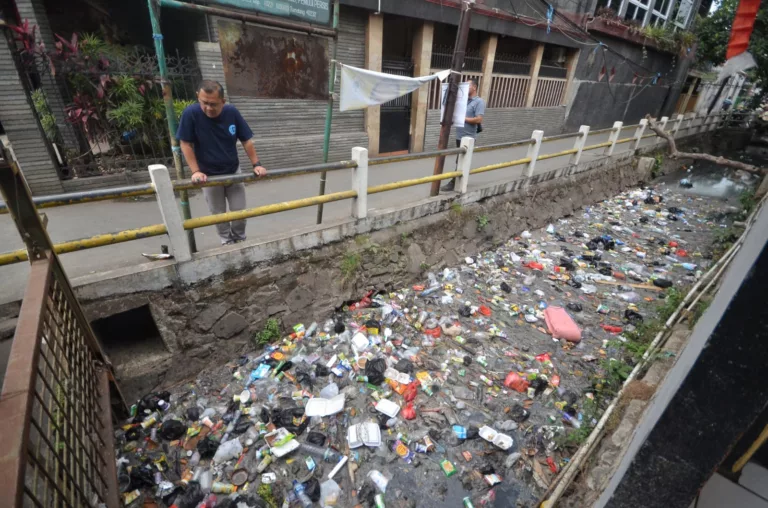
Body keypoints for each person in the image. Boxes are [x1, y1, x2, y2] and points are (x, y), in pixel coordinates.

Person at [177, 80, 267, 245]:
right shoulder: (191, 114)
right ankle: (226, 241)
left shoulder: (231, 112)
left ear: (223, 102)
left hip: (233, 171)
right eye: (204, 103)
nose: (208, 108)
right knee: (218, 214)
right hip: (209, 176)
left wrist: (257, 164)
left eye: (213, 104)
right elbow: (185, 143)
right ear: (198, 97)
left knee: (239, 211)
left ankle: (239, 239)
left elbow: (246, 140)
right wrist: (195, 171)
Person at [442, 78, 485, 191]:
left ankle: (454, 182)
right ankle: (460, 181)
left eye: (468, 85)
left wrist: (463, 118)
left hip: (469, 137)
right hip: (459, 136)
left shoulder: (479, 102)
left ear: (474, 87)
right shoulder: (463, 101)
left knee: (461, 160)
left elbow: (479, 119)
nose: (465, 87)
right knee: (460, 160)